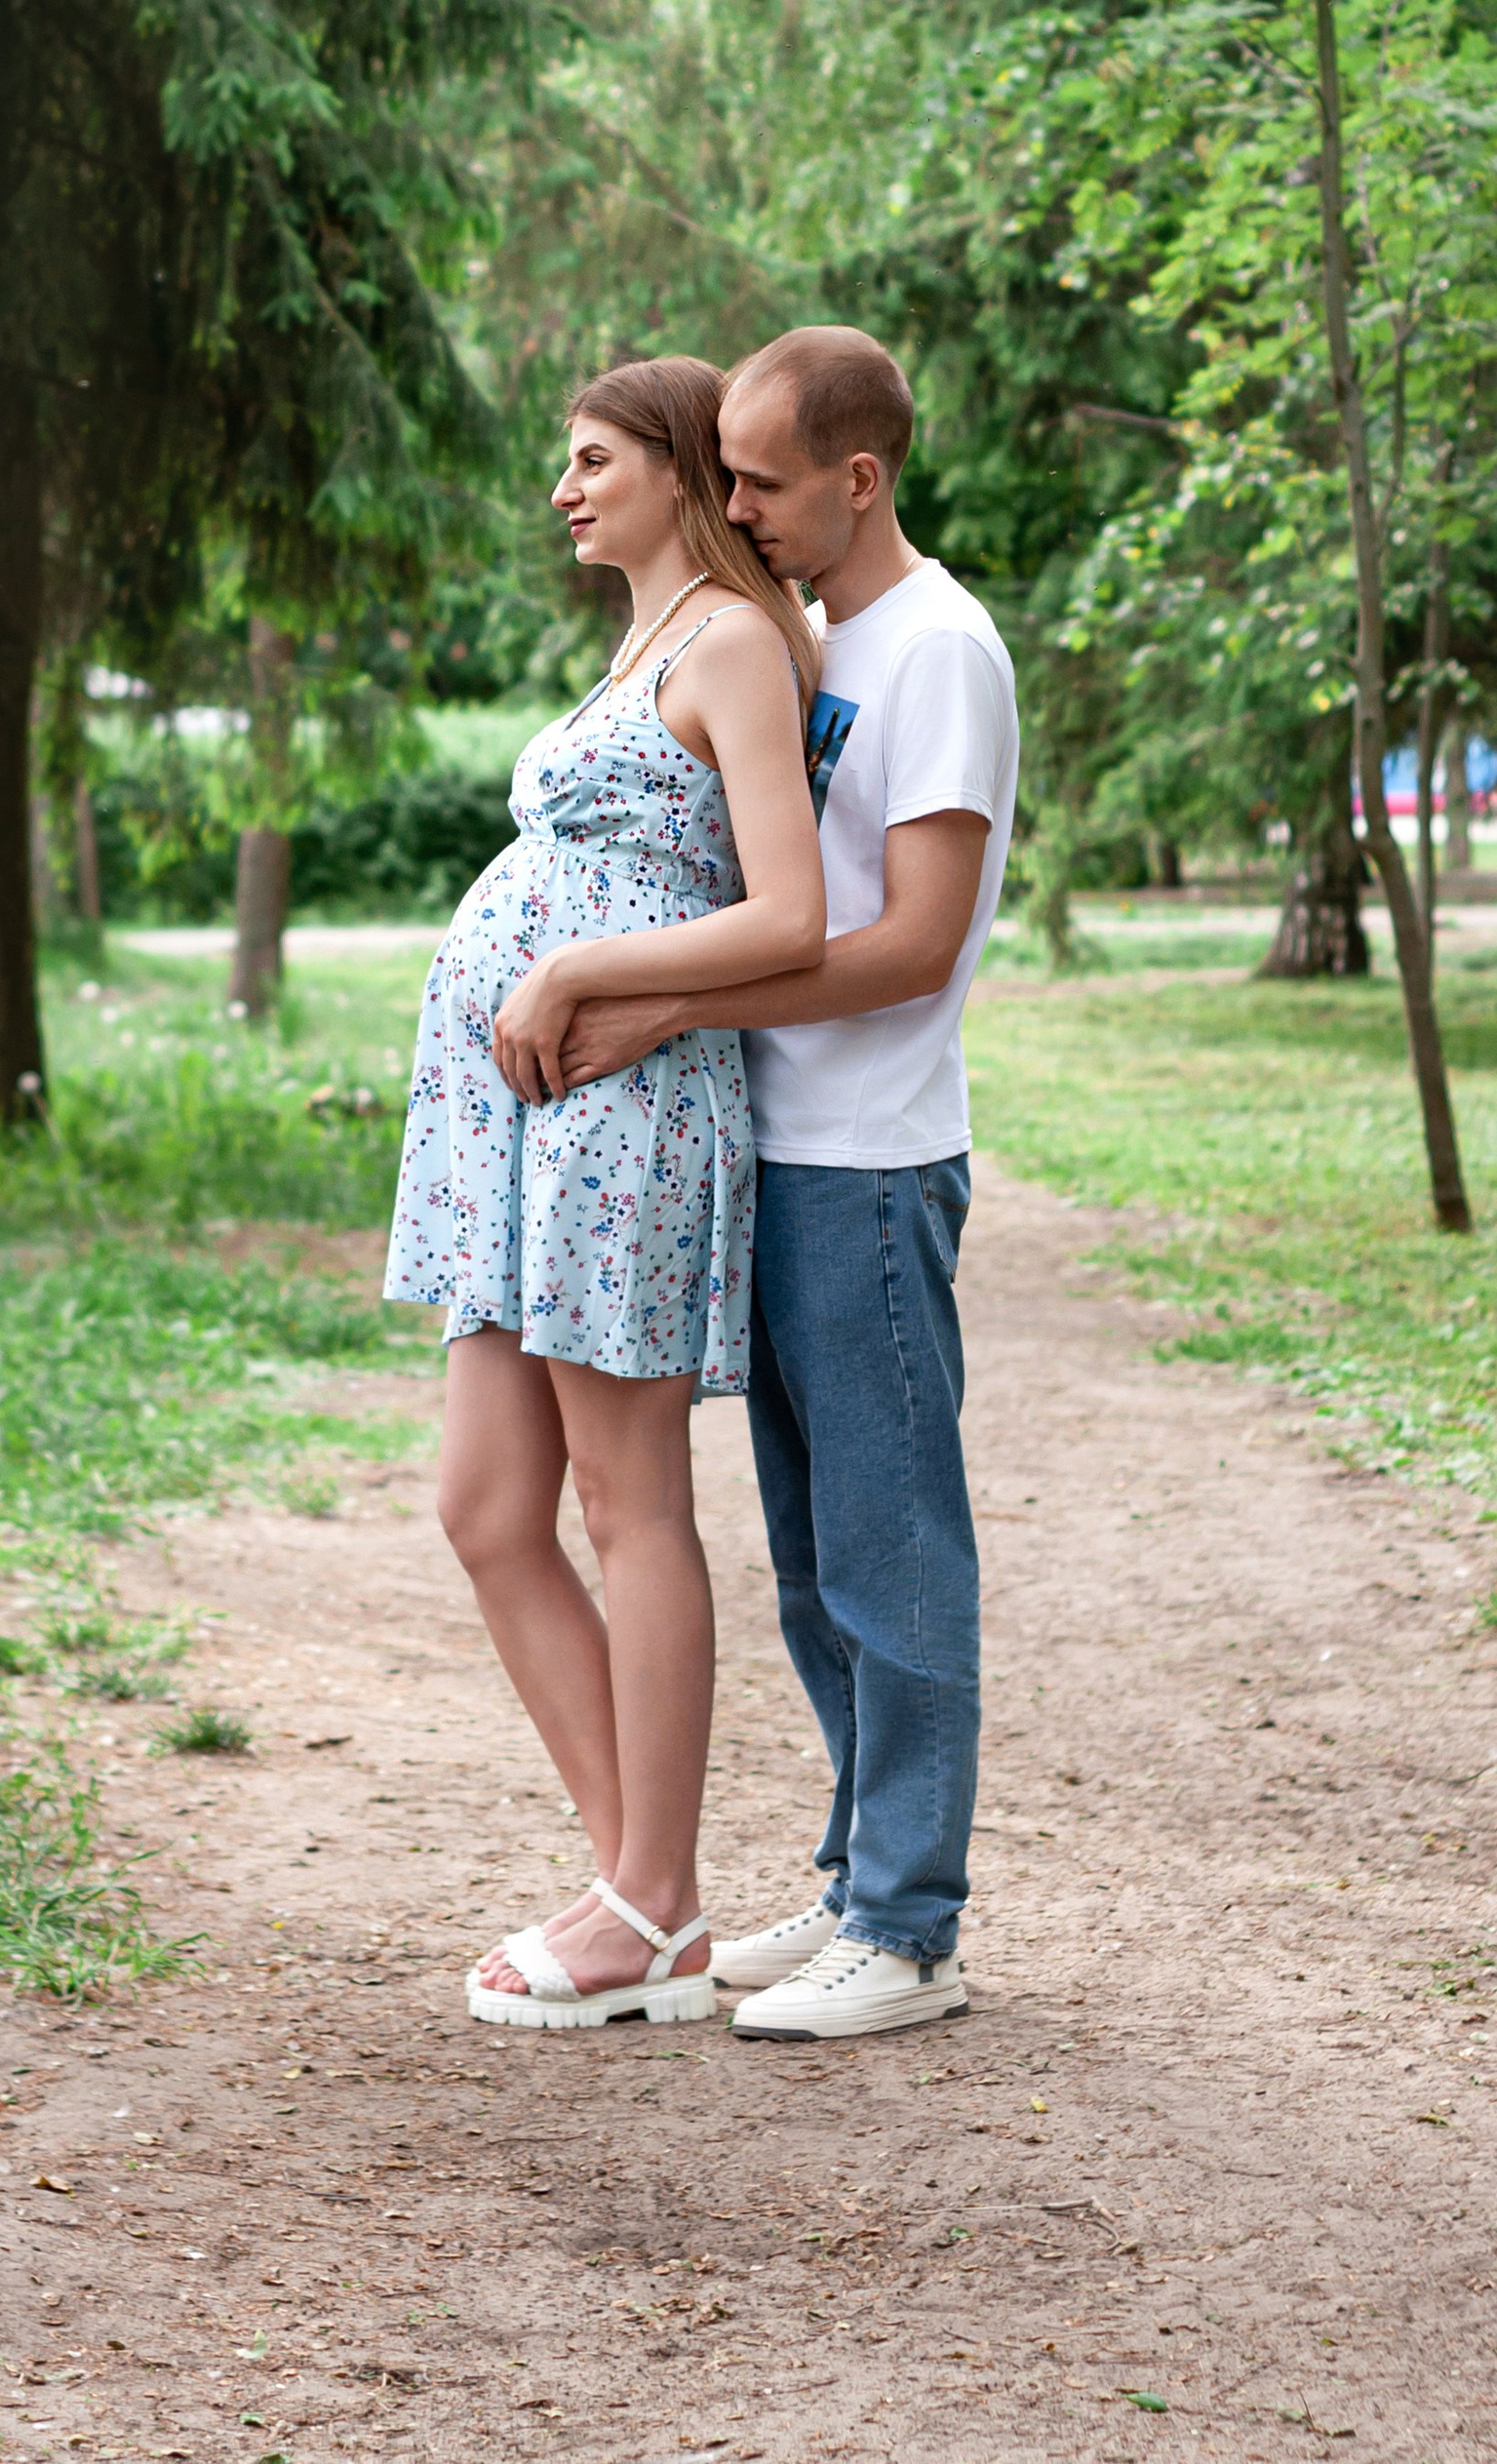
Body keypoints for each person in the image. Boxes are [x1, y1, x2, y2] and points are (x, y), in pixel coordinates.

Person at [554, 325, 1019, 2040]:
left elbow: (905, 944)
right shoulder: (822, 639)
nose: (732, 500)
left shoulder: (939, 653)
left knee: (894, 1554)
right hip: (775, 1147)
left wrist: (661, 996)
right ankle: (851, 1880)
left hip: (872, 1158)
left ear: (858, 477)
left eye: (756, 477)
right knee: (816, 1557)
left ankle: (910, 1925)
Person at [384, 355, 826, 2031]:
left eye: (591, 460)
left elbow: (786, 913)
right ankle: (635, 1885)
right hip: (525, 1130)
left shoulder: (729, 643)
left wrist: (578, 961)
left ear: (678, 470)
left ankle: (653, 1897)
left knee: (629, 1501)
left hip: (623, 1114)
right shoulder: (640, 645)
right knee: (489, 1506)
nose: (564, 488)